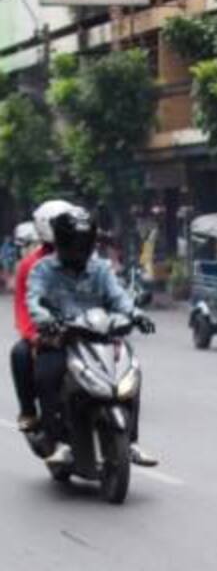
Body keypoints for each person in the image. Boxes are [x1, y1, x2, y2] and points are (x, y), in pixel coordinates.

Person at [26, 207, 157, 467]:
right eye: (73, 243)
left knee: (131, 372)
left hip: (99, 337)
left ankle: (131, 442)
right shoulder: (43, 269)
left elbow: (119, 298)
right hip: (62, 338)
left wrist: (137, 315)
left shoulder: (101, 269)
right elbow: (34, 300)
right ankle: (58, 441)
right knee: (47, 375)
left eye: (84, 243)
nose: (79, 249)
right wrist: (46, 320)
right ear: (61, 242)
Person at [10, 200, 75, 432]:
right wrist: (33, 335)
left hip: (85, 331)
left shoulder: (88, 258)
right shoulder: (29, 265)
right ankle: (29, 411)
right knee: (20, 353)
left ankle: (131, 440)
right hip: (50, 334)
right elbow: (22, 307)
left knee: (130, 365)